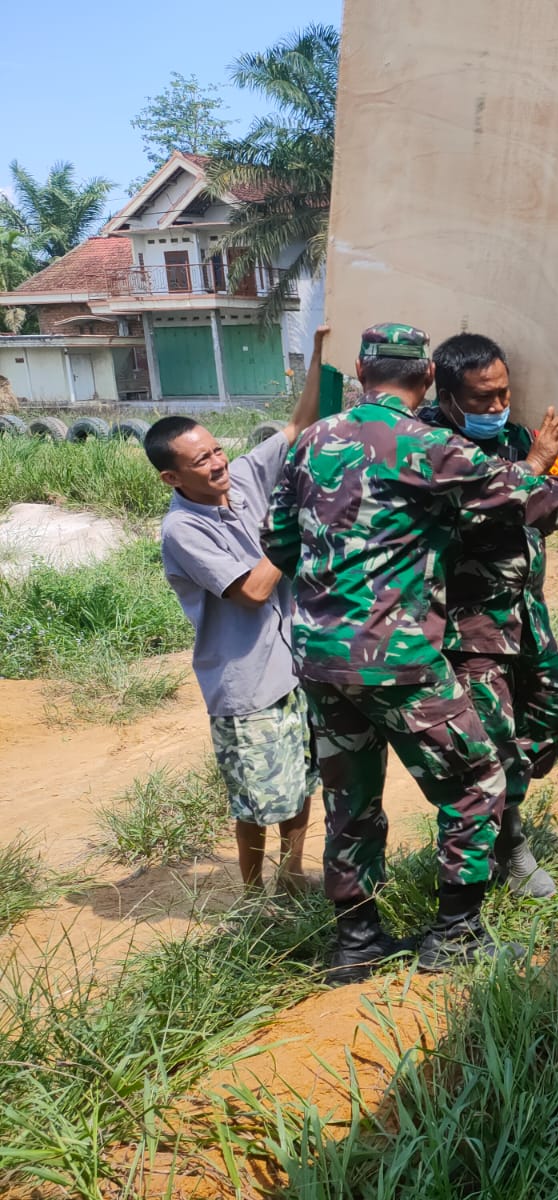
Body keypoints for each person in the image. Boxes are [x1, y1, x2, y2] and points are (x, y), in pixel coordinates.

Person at [262, 323, 558, 980]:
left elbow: (279, 545)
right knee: (477, 780)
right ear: (430, 378)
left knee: (350, 800)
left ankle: (357, 942)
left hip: (319, 658)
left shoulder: (311, 441)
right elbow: (530, 496)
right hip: (396, 657)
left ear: (361, 371)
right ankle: (456, 935)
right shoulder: (427, 445)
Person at [417, 332, 558, 898]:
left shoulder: (517, 436)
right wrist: (537, 461)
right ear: (447, 396)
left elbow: (556, 501)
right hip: (468, 626)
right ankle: (507, 844)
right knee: (493, 741)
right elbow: (489, 507)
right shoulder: (430, 447)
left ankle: (495, 801)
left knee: (555, 720)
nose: (498, 406)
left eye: (504, 394)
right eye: (483, 398)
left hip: (525, 612)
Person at [147, 325, 331, 899]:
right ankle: (253, 898)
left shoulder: (244, 478)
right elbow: (251, 591)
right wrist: (289, 532)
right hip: (247, 684)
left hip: (292, 666)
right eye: (200, 460)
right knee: (255, 798)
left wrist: (319, 356)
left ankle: (292, 875)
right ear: (172, 477)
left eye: (217, 450)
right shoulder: (182, 530)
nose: (217, 463)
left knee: (300, 780)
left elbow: (297, 427)